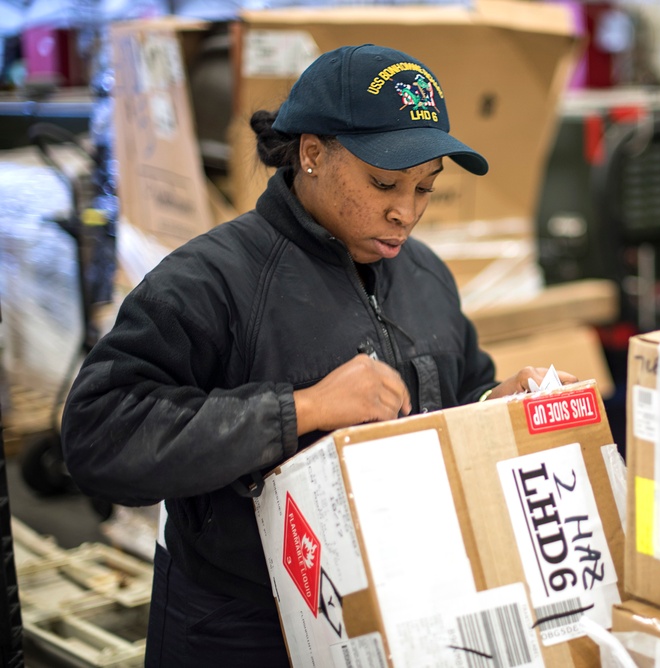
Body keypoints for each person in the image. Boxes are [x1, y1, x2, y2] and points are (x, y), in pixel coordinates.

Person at [59, 44, 577, 666]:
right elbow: (99, 436)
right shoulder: (208, 281)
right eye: (384, 183)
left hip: (393, 613)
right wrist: (301, 408)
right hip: (239, 631)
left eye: (425, 187)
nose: (405, 212)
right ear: (311, 153)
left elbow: (458, 400)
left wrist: (497, 404)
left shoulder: (426, 278)